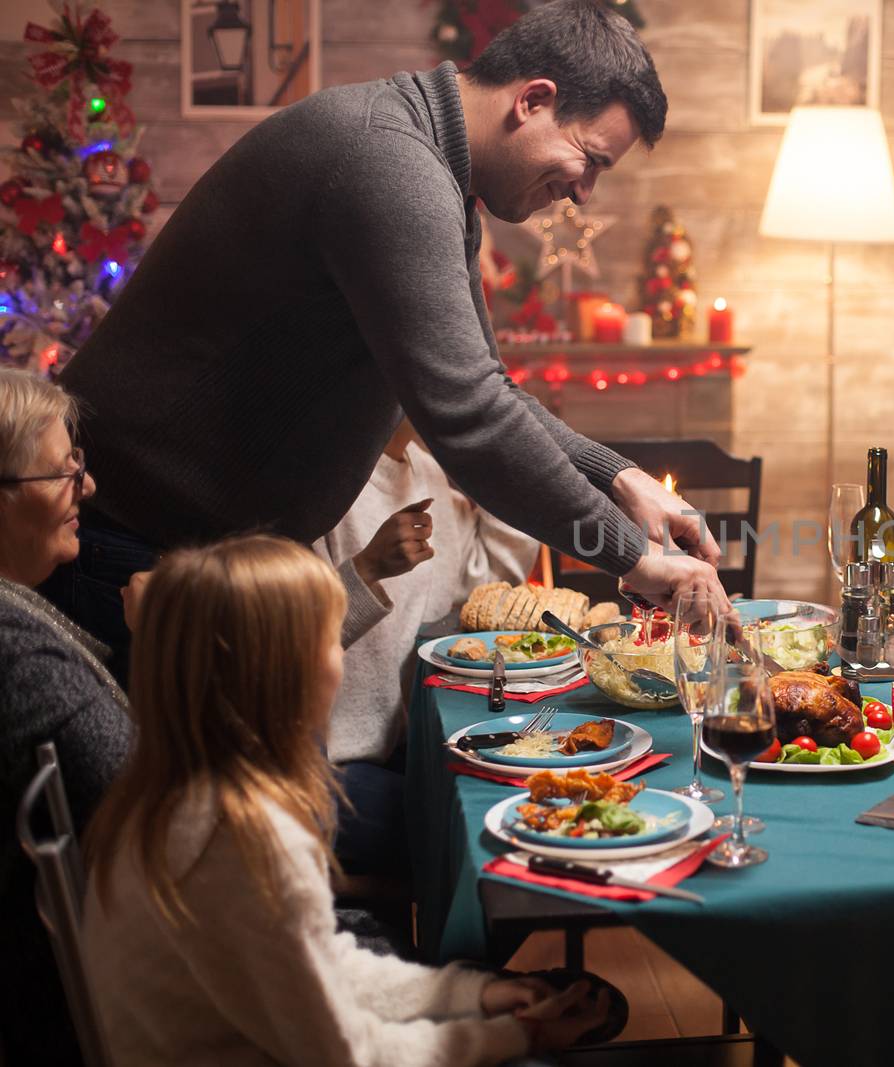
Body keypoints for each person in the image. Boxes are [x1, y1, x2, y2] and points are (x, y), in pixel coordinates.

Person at [50, 0, 727, 680]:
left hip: (187, 551)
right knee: (169, 789)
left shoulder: (434, 169)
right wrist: (636, 559)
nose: (584, 192)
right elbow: (468, 416)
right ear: (534, 100)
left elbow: (490, 388)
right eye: (591, 159)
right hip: (130, 548)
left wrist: (623, 478)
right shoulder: (391, 162)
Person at [82, 534, 611, 1064]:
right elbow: (347, 1054)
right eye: (330, 639)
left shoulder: (174, 791)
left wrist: (469, 994)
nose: (341, 655)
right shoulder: (251, 839)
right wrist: (519, 1037)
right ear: (283, 672)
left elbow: (319, 963)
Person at [313, 419, 540, 882]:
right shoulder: (326, 480)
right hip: (319, 765)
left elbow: (483, 584)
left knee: (516, 806)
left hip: (405, 742)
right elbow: (279, 644)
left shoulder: (427, 472)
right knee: (478, 835)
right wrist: (368, 568)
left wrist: (496, 469)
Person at [0, 367, 137, 1065]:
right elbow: (163, 811)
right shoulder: (14, 648)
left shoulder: (23, 608)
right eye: (62, 472)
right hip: (111, 1008)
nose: (86, 487)